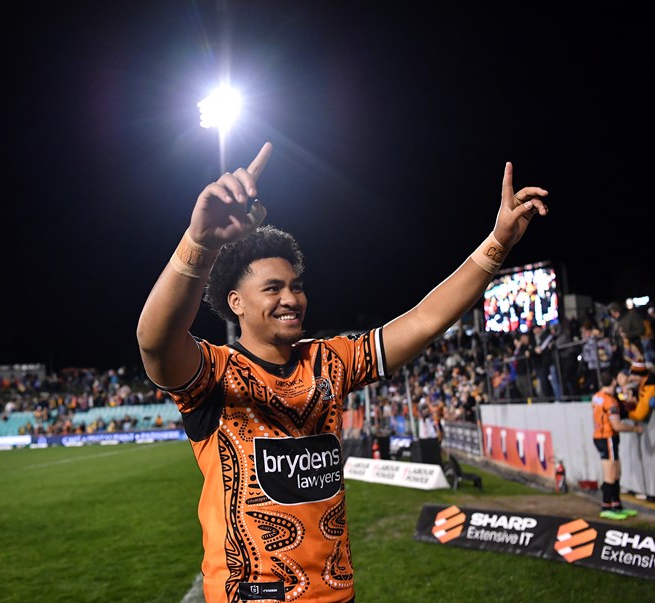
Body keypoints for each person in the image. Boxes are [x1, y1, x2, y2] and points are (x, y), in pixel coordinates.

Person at [135, 142, 549, 603]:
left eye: (296, 285)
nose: (290, 298)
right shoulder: (215, 372)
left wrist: (498, 244)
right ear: (236, 304)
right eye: (272, 288)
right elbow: (155, 342)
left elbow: (424, 321)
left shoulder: (329, 360)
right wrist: (200, 245)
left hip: (337, 594)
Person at [592, 370, 644, 520]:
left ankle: (616, 505)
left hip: (601, 436)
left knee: (616, 471)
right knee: (611, 474)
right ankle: (607, 506)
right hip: (607, 437)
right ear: (614, 382)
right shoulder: (610, 401)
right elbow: (617, 426)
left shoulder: (597, 397)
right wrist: (635, 429)